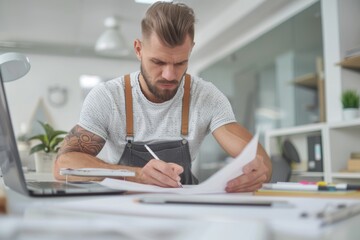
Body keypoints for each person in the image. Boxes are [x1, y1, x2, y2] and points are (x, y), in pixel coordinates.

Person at [54, 2, 272, 193]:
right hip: (123, 210)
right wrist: (135, 174)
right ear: (138, 49)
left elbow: (256, 158)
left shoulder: (206, 96)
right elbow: (63, 165)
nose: (169, 75)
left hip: (184, 211)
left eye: (180, 64)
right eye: (158, 62)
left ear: (191, 50)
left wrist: (260, 170)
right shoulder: (108, 97)